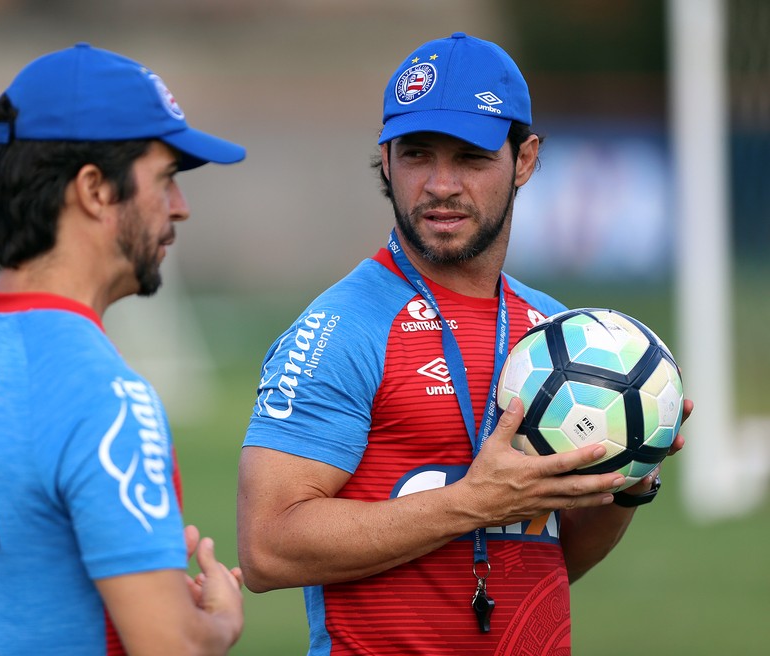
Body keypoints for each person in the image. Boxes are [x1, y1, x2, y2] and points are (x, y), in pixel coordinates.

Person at [237, 32, 691, 655]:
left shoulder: (560, 337)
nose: (440, 184)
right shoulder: (342, 328)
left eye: (472, 158)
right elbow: (267, 548)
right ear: (386, 159)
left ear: (525, 159)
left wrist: (628, 478)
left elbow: (553, 555)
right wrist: (472, 503)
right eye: (418, 154)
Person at [0, 43, 246, 656]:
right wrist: (213, 624)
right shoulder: (105, 398)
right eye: (165, 179)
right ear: (95, 191)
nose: (180, 208)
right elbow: (172, 648)